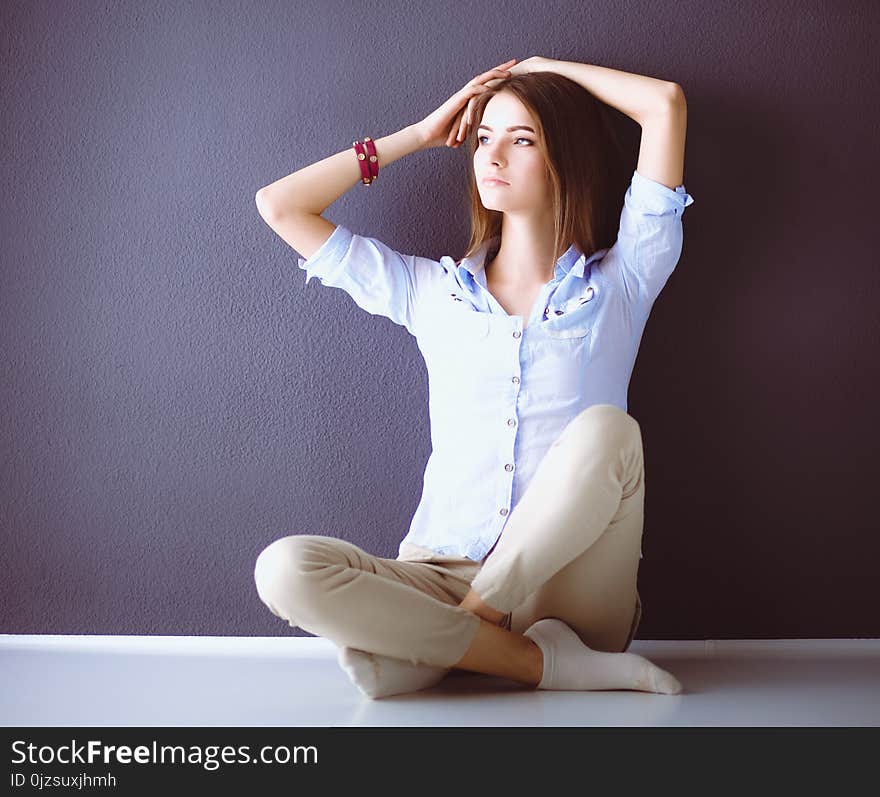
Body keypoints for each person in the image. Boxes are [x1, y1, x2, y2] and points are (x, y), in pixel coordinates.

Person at [253, 56, 695, 699]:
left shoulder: (621, 283)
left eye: (522, 140)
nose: (492, 155)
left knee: (609, 431)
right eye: (484, 137)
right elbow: (280, 206)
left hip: (574, 584)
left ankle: (448, 643)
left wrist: (545, 67)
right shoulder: (430, 293)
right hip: (441, 571)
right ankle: (536, 664)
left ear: (563, 158)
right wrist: (422, 133)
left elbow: (665, 106)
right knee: (284, 570)